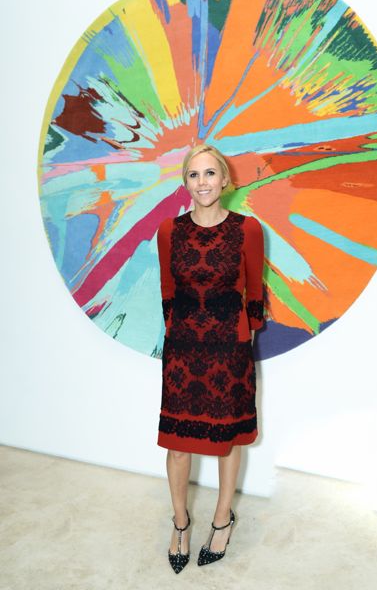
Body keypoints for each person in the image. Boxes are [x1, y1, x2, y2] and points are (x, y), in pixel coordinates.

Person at [156, 143, 265, 573]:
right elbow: (167, 290)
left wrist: (244, 344)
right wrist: (175, 333)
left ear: (224, 179)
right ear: (185, 182)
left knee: (227, 441)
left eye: (209, 173)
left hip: (229, 349)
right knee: (177, 445)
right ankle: (180, 523)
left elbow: (254, 293)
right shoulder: (169, 230)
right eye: (193, 174)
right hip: (183, 351)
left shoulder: (248, 229)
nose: (202, 182)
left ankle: (222, 519)